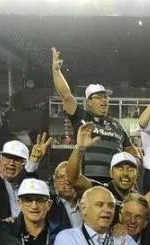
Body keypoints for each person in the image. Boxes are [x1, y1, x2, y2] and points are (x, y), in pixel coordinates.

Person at [51, 47, 134, 184]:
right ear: (88, 102)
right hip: (88, 182)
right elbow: (66, 96)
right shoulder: (82, 116)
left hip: (116, 184)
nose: (104, 100)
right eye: (98, 97)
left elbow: (130, 149)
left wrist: (135, 159)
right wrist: (56, 71)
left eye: (105, 97)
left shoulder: (117, 126)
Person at [66, 124, 140, 215]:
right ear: (111, 173)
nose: (125, 173)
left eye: (130, 169)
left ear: (136, 174)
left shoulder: (138, 199)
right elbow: (73, 179)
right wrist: (79, 148)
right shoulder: (100, 190)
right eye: (120, 168)